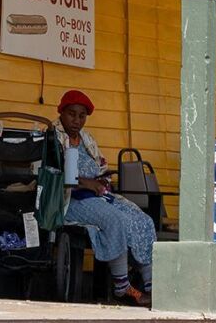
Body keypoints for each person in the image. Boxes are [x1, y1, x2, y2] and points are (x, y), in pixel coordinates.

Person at [56, 89, 155, 306]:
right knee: (114, 219)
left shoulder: (86, 139)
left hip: (97, 195)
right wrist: (86, 183)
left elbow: (100, 164)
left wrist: (101, 178)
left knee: (142, 219)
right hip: (70, 200)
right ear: (61, 112)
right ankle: (122, 285)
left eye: (82, 116)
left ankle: (151, 287)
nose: (76, 120)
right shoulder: (52, 138)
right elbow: (51, 175)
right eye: (72, 114)